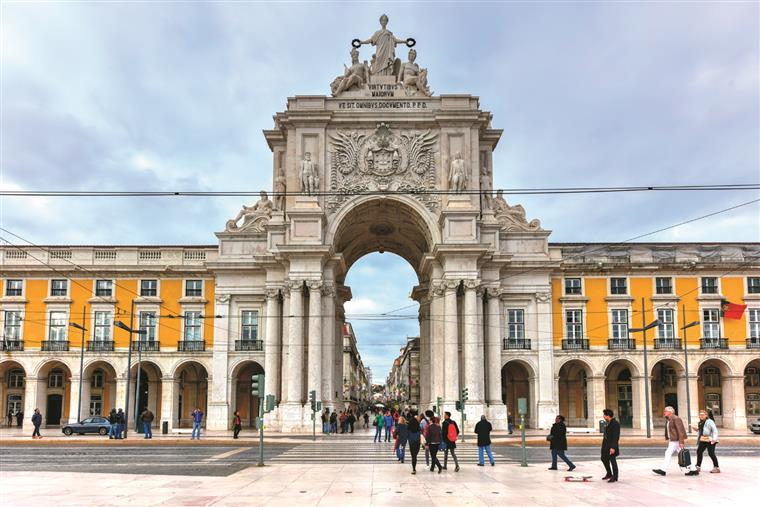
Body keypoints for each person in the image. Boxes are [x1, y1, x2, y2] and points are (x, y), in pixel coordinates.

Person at [653, 406, 695, 476]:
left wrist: (681, 442)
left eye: (665, 411)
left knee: (668, 453)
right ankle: (694, 469)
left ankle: (663, 470)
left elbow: (680, 431)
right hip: (673, 440)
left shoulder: (676, 418)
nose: (664, 412)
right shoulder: (668, 419)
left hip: (676, 440)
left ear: (670, 412)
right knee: (684, 455)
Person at [690, 409, 719, 475]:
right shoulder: (701, 422)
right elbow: (702, 430)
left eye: (703, 415)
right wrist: (696, 429)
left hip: (710, 439)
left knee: (711, 453)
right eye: (700, 415)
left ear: (706, 415)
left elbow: (715, 430)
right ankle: (698, 466)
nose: (701, 416)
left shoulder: (710, 421)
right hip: (703, 439)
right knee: (699, 451)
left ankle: (716, 467)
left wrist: (714, 439)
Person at [601, 408, 620, 483]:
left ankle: (615, 476)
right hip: (605, 445)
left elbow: (616, 437)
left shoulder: (615, 423)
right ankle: (609, 473)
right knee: (603, 458)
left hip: (611, 446)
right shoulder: (608, 423)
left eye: (604, 415)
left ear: (608, 416)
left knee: (612, 460)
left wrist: (613, 447)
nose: (603, 417)